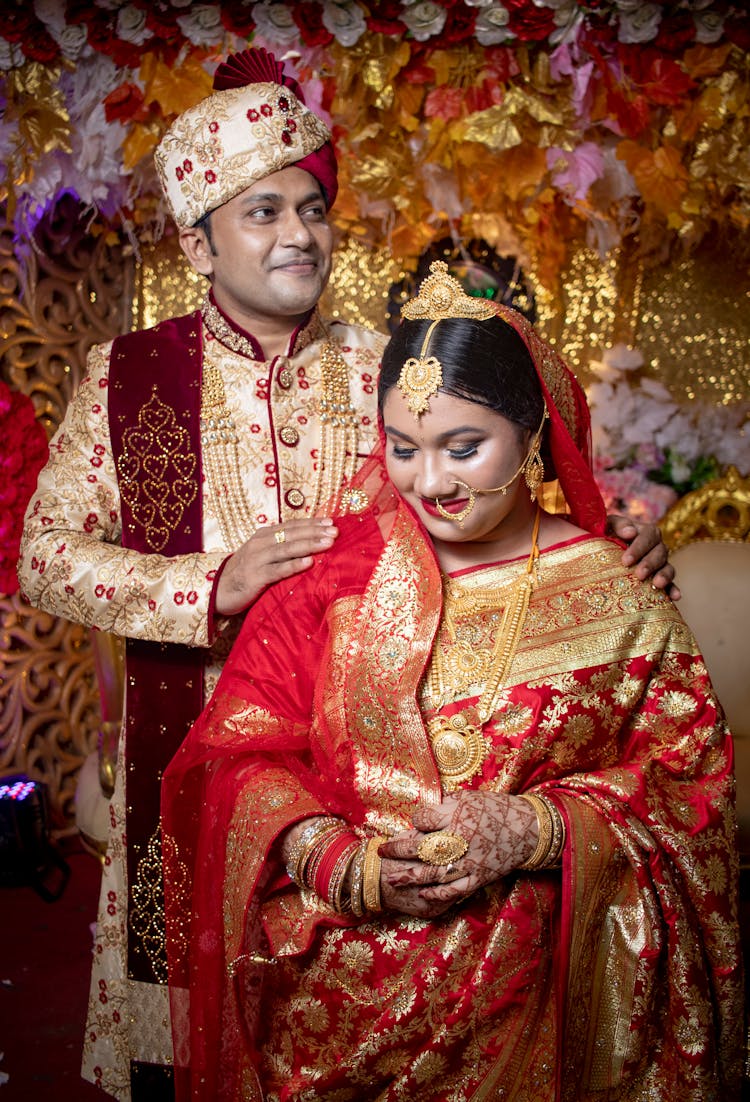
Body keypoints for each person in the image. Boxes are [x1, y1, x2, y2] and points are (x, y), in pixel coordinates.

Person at [18, 49, 674, 1102]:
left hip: (368, 764)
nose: (299, 234)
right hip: (189, 752)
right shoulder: (130, 377)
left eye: (313, 208)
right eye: (263, 211)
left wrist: (606, 549)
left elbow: (487, 502)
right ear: (197, 240)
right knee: (184, 1041)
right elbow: (43, 559)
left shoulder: (387, 362)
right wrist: (208, 585)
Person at [161, 262, 743, 1102]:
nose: (430, 482)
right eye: (404, 448)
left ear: (534, 433)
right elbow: (236, 755)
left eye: (463, 448)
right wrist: (332, 860)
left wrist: (538, 829)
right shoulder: (334, 577)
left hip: (534, 983)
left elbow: (693, 789)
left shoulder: (621, 597)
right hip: (338, 966)